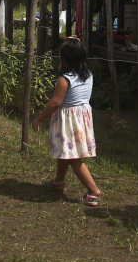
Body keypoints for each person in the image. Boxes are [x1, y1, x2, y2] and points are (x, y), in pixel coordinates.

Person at [32, 38, 100, 206]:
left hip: (69, 120)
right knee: (66, 151)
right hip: (81, 118)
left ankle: (93, 192)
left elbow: (55, 103)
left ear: (65, 59)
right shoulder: (88, 75)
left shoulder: (65, 79)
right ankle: (59, 181)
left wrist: (39, 119)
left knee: (74, 158)